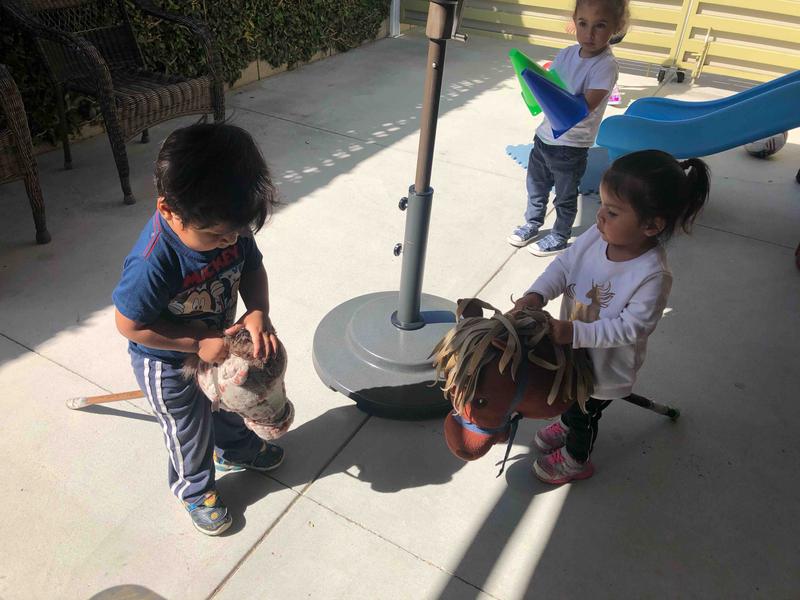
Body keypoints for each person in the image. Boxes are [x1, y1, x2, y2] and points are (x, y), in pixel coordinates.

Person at [112, 122, 283, 535]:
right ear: (169, 211)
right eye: (215, 235)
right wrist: (195, 341)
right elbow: (129, 324)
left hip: (215, 346)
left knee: (225, 402)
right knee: (189, 426)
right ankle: (194, 488)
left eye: (237, 232)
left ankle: (237, 448)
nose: (229, 242)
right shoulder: (153, 262)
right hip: (166, 361)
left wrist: (258, 309)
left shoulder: (230, 225)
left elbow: (252, 268)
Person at [511, 150, 710, 484]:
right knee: (567, 398)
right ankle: (567, 419)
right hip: (571, 351)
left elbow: (633, 327)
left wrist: (574, 333)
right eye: (602, 205)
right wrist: (537, 294)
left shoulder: (652, 274)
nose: (600, 216)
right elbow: (563, 266)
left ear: (652, 225)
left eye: (613, 211)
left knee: (583, 414)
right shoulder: (595, 236)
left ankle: (576, 459)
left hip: (602, 370)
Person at [508, 0, 628, 256]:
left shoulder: (605, 66)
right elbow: (552, 85)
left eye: (600, 26)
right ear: (574, 22)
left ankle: (560, 234)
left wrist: (549, 92)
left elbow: (584, 106)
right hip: (544, 137)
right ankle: (532, 222)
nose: (589, 33)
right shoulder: (566, 53)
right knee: (536, 185)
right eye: (583, 24)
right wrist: (533, 83)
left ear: (616, 28)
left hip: (571, 146)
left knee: (565, 194)